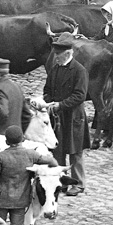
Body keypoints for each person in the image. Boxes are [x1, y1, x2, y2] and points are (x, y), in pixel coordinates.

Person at [44, 32, 89, 195]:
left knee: (75, 151)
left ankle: (78, 184)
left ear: (68, 53)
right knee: (59, 150)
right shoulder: (55, 69)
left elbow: (80, 95)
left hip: (74, 117)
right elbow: (47, 89)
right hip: (58, 116)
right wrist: (47, 101)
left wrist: (60, 105)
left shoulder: (79, 70)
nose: (55, 57)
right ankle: (61, 181)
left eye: (58, 55)